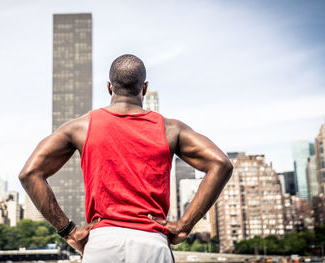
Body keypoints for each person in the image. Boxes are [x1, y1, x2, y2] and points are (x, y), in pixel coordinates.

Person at [19, 54, 233, 262]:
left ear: (109, 87)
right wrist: (183, 226)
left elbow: (29, 174)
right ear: (145, 88)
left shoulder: (81, 127)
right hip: (152, 243)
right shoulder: (170, 129)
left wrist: (68, 231)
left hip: (102, 243)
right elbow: (221, 164)